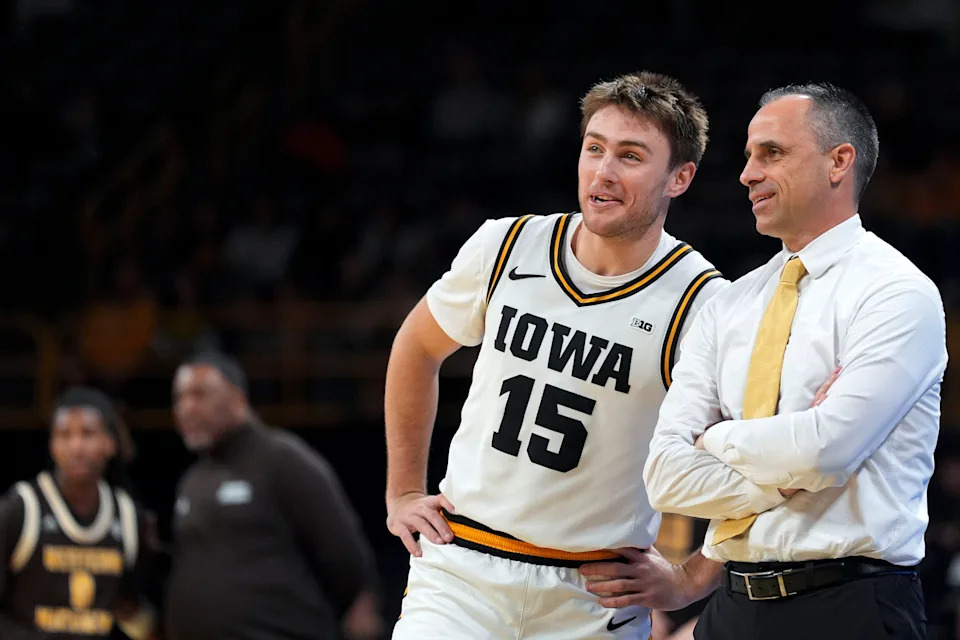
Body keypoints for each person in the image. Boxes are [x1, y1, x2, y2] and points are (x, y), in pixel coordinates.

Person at [385, 70, 729, 639]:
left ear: (681, 177)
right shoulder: (506, 244)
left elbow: (753, 456)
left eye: (630, 156)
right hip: (463, 566)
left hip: (596, 595)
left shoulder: (704, 303)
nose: (603, 171)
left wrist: (695, 577)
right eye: (594, 149)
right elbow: (417, 346)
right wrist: (403, 490)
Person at [638, 82, 948, 639]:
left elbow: (828, 451)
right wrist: (788, 473)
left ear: (839, 162)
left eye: (771, 153)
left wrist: (716, 440)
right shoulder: (727, 303)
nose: (747, 174)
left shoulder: (899, 292)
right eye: (749, 156)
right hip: (730, 606)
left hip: (851, 605)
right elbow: (663, 478)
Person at [164, 351, 383, 640]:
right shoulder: (192, 480)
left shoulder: (283, 460)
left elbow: (346, 559)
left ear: (238, 398)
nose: (186, 408)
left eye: (200, 394)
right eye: (179, 398)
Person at [0, 386, 160, 640]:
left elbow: (130, 607)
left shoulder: (129, 516)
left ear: (110, 443)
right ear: (52, 445)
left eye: (87, 434)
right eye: (64, 435)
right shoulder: (20, 508)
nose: (76, 446)